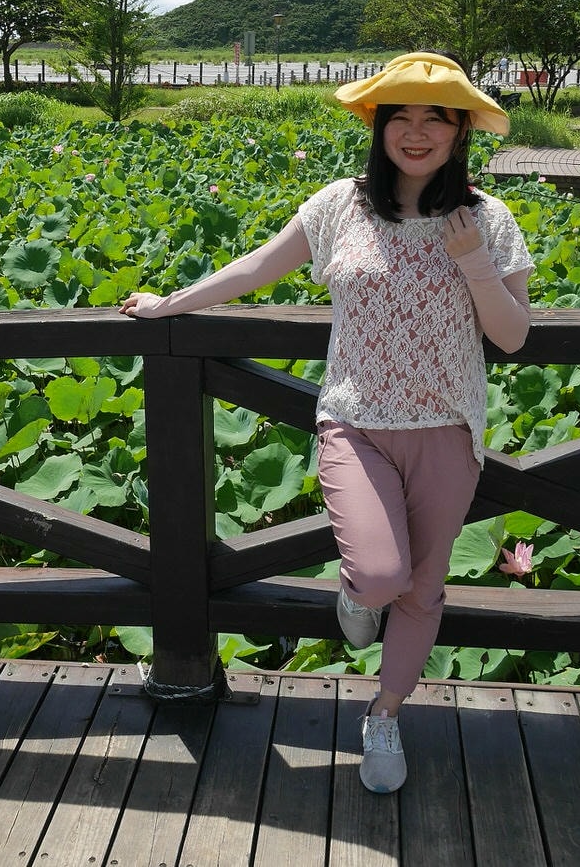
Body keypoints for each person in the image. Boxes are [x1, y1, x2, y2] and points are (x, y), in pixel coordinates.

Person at [118, 51, 534, 794]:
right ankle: (355, 598)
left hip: (447, 429)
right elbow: (256, 266)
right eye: (397, 117)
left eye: (433, 119)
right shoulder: (340, 204)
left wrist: (472, 261)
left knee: (422, 591)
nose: (414, 133)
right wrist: (171, 304)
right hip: (356, 421)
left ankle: (385, 711)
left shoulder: (488, 219)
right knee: (379, 575)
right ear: (376, 127)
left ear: (459, 131)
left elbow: (512, 335)